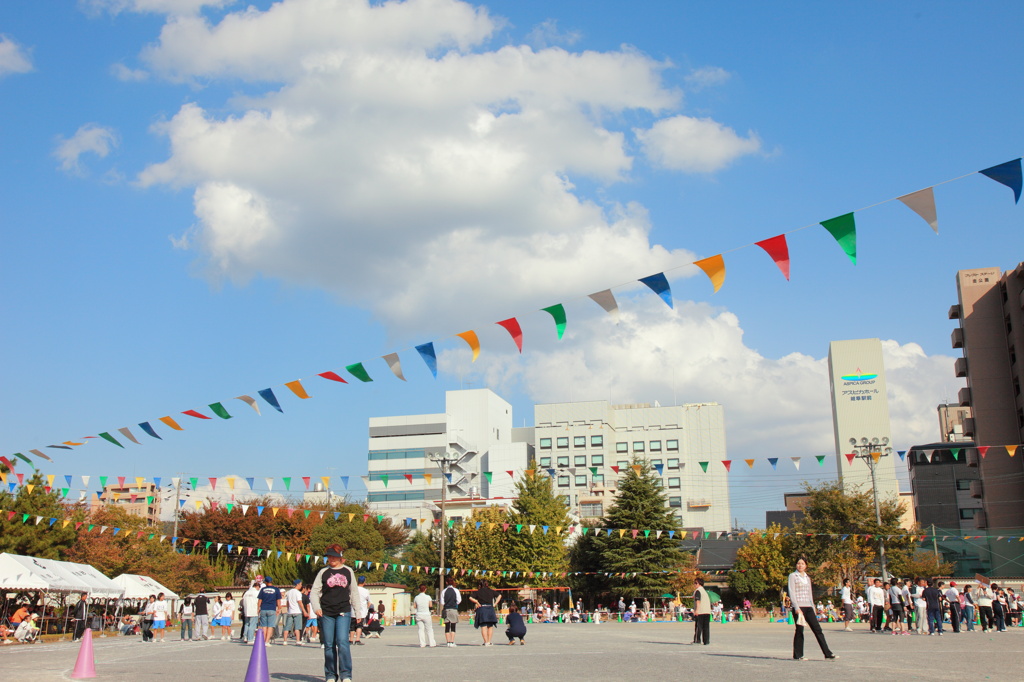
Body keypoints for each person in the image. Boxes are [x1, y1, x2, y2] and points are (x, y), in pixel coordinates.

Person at [310, 543, 364, 682]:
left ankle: (346, 674)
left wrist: (358, 612)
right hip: (326, 612)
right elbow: (314, 592)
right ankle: (330, 675)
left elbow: (354, 593)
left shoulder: (348, 571)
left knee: (342, 642)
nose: (331, 559)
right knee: (329, 644)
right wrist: (316, 607)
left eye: (334, 556)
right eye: (329, 556)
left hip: (343, 611)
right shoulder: (323, 572)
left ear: (340, 557)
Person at [787, 557, 837, 661]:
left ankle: (827, 653)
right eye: (798, 563)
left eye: (802, 563)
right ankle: (798, 655)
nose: (800, 565)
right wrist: (796, 607)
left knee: (817, 629)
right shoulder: (793, 576)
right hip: (799, 607)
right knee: (800, 630)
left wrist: (813, 608)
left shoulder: (807, 578)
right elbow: (792, 592)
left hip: (808, 607)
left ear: (806, 566)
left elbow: (810, 594)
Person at [469, 579, 501, 646]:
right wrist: (495, 604)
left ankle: (485, 642)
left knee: (483, 626)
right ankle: (489, 641)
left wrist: (477, 602)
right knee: (490, 626)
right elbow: (499, 595)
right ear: (487, 584)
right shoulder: (491, 591)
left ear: (480, 585)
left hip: (482, 609)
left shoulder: (478, 592)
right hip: (490, 608)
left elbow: (470, 597)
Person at [258, 578, 283, 645]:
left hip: (263, 608)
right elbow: (278, 600)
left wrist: (258, 608)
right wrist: (279, 608)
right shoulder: (276, 589)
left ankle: (263, 640)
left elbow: (260, 600)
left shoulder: (262, 590)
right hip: (272, 609)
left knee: (264, 626)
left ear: (266, 582)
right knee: (270, 626)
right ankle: (267, 641)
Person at [350, 575, 371, 646]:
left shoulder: (353, 589)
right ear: (364, 582)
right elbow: (369, 602)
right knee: (359, 626)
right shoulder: (366, 591)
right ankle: (357, 639)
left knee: (352, 627)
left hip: (352, 611)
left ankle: (350, 640)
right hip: (361, 612)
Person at [441, 576, 461, 647]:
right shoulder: (456, 590)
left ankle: (448, 642)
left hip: (446, 609)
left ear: (446, 583)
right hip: (454, 609)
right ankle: (452, 641)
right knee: (453, 626)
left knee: (447, 626)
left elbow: (442, 602)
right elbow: (459, 600)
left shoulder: (443, 591)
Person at [283, 580, 304, 646]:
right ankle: (298, 640)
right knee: (297, 627)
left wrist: (288, 608)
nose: (301, 586)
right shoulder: (298, 593)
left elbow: (287, 602)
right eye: (300, 584)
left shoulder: (289, 592)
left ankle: (285, 641)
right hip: (297, 611)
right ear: (297, 584)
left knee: (287, 627)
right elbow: (300, 602)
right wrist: (304, 611)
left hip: (290, 612)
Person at [692, 577, 711, 645]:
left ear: (699, 584)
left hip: (700, 611)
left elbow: (698, 601)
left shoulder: (698, 591)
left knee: (698, 626)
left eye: (695, 583)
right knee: (706, 627)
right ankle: (706, 641)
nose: (694, 584)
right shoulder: (704, 591)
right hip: (707, 611)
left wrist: (696, 611)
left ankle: (697, 640)